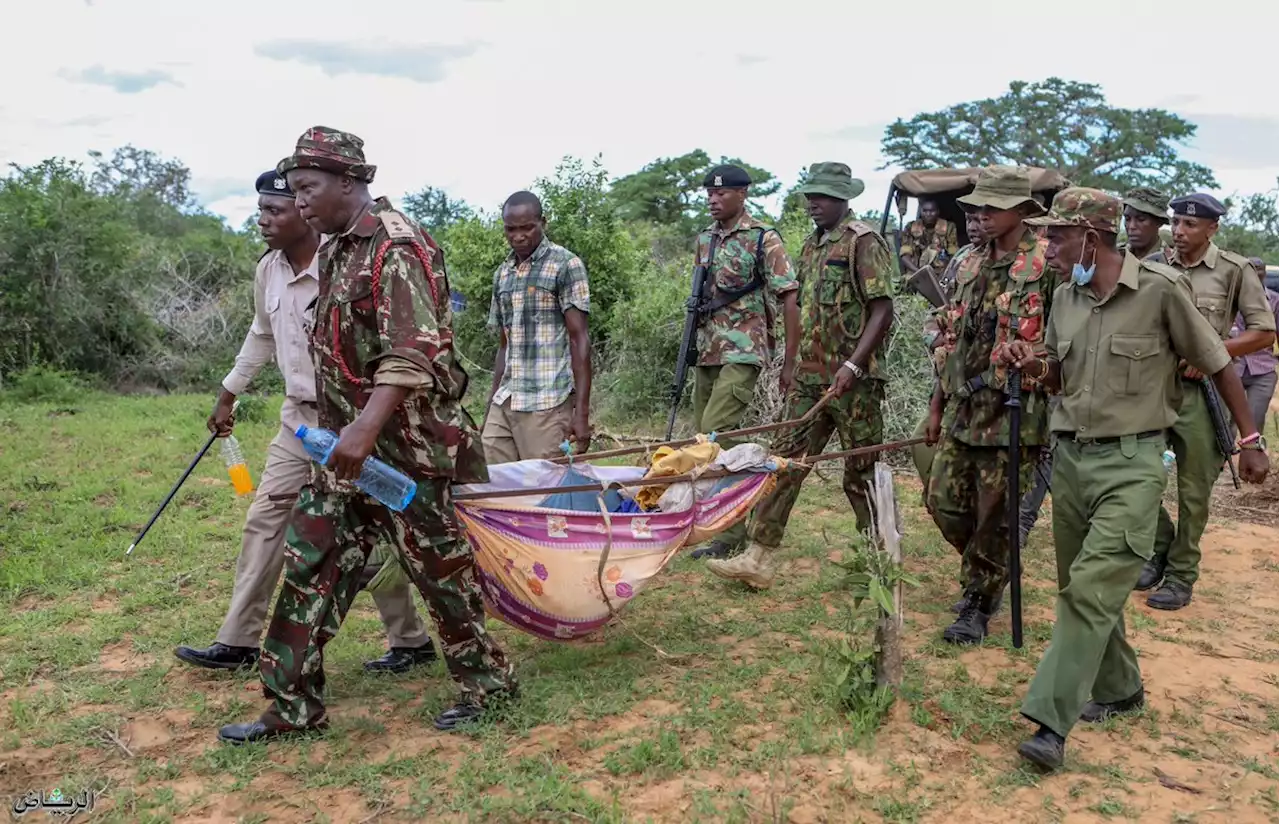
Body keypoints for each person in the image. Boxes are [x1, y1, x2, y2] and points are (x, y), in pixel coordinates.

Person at [218, 127, 515, 744]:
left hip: (409, 453)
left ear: (348, 183)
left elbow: (413, 354)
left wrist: (362, 430)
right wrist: (337, 434)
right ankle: (291, 707)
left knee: (441, 574)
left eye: (308, 189)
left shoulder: (396, 248)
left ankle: (488, 686)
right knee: (311, 561)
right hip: (346, 451)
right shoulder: (334, 250)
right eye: (294, 190)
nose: (299, 203)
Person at [1000, 187, 1269, 771]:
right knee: (1084, 586)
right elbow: (1056, 375)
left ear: (1091, 238)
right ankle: (1121, 688)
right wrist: (1034, 367)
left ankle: (1050, 721)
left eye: (1057, 235)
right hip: (1070, 462)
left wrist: (1250, 441)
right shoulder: (1065, 297)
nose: (1047, 246)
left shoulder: (1160, 291)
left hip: (1131, 464)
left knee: (1089, 591)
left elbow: (1220, 363)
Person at [174, 170, 435, 677]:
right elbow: (260, 334)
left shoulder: (346, 262)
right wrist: (228, 394)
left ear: (301, 208)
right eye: (261, 211)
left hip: (357, 421)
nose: (263, 220)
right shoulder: (268, 270)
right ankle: (238, 640)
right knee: (266, 519)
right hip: (298, 423)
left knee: (376, 527)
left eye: (274, 210)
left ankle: (410, 641)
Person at [707, 163, 892, 588]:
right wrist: (790, 365)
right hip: (810, 377)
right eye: (811, 195)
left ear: (844, 199)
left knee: (861, 471)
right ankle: (757, 557)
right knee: (785, 464)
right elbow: (802, 310)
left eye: (823, 196)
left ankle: (878, 561)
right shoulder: (809, 245)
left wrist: (853, 365)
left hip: (855, 381)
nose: (814, 203)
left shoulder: (863, 243)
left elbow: (882, 309)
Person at [923, 166, 1054, 645]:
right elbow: (950, 339)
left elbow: (1061, 344)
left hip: (1014, 411)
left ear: (1021, 211)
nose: (979, 214)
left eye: (990, 207)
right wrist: (936, 405)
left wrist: (1036, 363)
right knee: (942, 503)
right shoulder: (967, 263)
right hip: (962, 406)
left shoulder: (1046, 267)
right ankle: (989, 570)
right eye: (976, 206)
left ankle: (978, 600)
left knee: (996, 513)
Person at [1137, 194, 1277, 609]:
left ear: (1212, 228)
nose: (1179, 231)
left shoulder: (1233, 271)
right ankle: (1159, 547)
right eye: (1176, 223)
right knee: (1137, 474)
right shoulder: (1153, 267)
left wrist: (1215, 351)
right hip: (1152, 388)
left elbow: (1263, 333)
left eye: (1190, 225)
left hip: (1204, 393)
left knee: (1194, 491)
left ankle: (1181, 574)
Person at [687, 164, 800, 561]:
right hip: (708, 349)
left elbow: (789, 295)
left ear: (742, 194)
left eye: (721, 194)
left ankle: (737, 515)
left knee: (715, 430)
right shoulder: (705, 239)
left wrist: (789, 359)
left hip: (745, 349)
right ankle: (725, 521)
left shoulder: (762, 238)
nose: (714, 200)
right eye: (709, 195)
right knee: (705, 439)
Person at [483, 191, 592, 462]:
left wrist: (581, 413)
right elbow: (504, 345)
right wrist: (490, 406)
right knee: (491, 482)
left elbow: (580, 340)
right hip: (506, 400)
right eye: (511, 229)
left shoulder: (565, 264)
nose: (518, 236)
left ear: (543, 222)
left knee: (542, 490)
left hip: (547, 401)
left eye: (527, 228)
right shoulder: (503, 273)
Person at [1227, 257, 1280, 441]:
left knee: (1255, 420)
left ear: (1265, 274)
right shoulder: (1229, 298)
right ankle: (1221, 461)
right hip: (1231, 367)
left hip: (1263, 368)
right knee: (1227, 419)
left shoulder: (1274, 300)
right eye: (1252, 272)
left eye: (1260, 271)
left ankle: (1251, 460)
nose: (1256, 276)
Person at [900, 197, 960, 275]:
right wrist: (918, 272)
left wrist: (945, 274)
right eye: (925, 211)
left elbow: (954, 255)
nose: (928, 214)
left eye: (932, 211)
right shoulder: (911, 227)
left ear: (938, 212)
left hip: (941, 272)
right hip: (915, 271)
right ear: (921, 211)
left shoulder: (948, 227)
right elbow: (905, 254)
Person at [1121, 187, 1169, 260]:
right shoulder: (1117, 257)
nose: (1131, 226)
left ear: (1159, 221)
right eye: (1127, 219)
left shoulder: (1172, 261)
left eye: (1141, 219)